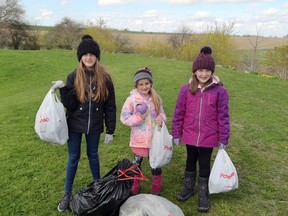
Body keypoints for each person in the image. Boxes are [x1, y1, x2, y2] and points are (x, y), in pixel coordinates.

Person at [51, 35, 116, 212]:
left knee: (93, 156)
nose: (88, 57)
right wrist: (63, 89)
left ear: (97, 57)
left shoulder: (106, 79)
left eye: (92, 54)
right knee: (73, 158)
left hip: (94, 126)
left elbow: (110, 106)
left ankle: (98, 189)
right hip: (74, 125)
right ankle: (66, 194)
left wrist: (110, 129)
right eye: (85, 54)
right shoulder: (73, 76)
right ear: (80, 57)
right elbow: (71, 105)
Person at [172, 46, 230, 212]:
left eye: (207, 70)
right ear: (194, 71)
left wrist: (223, 137)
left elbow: (223, 116)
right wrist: (176, 132)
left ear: (212, 71)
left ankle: (203, 192)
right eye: (200, 70)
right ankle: (189, 186)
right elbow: (179, 112)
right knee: (190, 160)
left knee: (204, 163)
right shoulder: (186, 89)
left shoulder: (220, 92)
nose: (203, 74)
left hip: (209, 136)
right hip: (190, 134)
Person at [120, 67, 167, 196]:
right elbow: (124, 117)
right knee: (136, 164)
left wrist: (161, 120)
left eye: (147, 83)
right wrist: (138, 118)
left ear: (151, 83)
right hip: (138, 140)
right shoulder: (132, 100)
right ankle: (135, 185)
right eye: (141, 84)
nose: (144, 87)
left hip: (154, 140)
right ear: (136, 85)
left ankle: (156, 187)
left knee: (155, 164)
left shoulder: (156, 98)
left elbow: (162, 114)